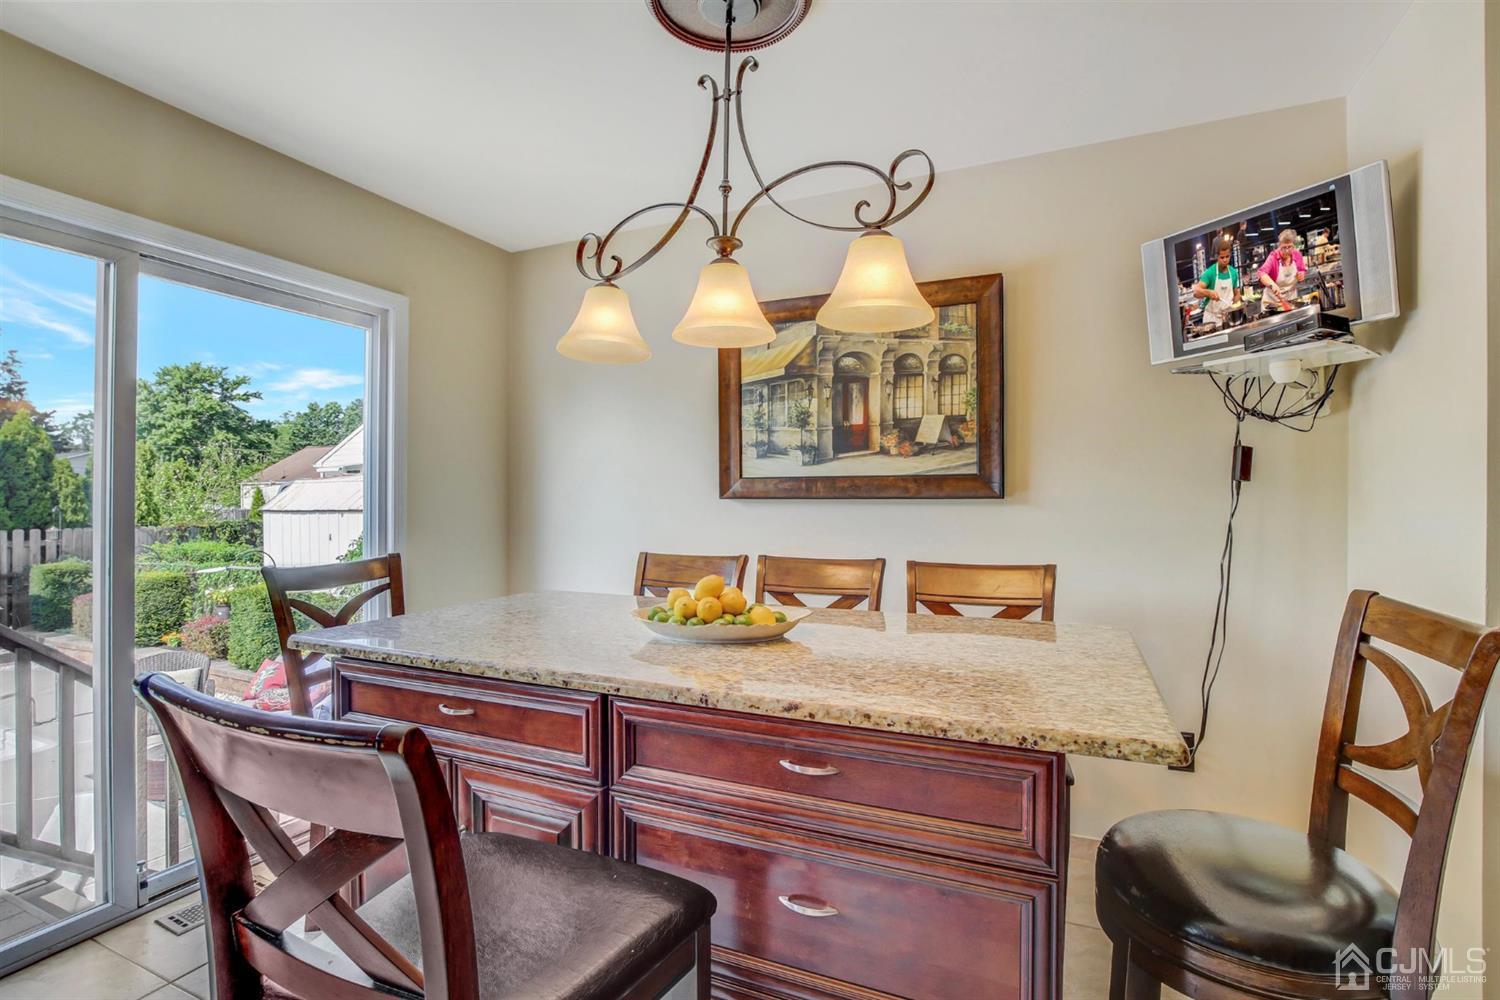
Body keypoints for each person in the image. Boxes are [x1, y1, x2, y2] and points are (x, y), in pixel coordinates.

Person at [1192, 235, 1241, 330]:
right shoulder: (1210, 273)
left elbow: (1236, 293)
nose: (1225, 260)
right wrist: (1209, 293)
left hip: (1228, 320)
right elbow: (1196, 292)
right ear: (1217, 256)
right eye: (1222, 257)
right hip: (1211, 320)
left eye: (1227, 256)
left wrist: (1236, 304)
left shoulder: (1233, 272)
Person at [1257, 229, 1308, 313]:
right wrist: (1273, 285)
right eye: (1284, 247)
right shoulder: (1273, 257)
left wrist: (1301, 274)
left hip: (1291, 301)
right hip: (1273, 302)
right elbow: (1261, 273)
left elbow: (1302, 270)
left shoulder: (1297, 255)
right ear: (1279, 245)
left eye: (1290, 247)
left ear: (1293, 245)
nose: (1287, 250)